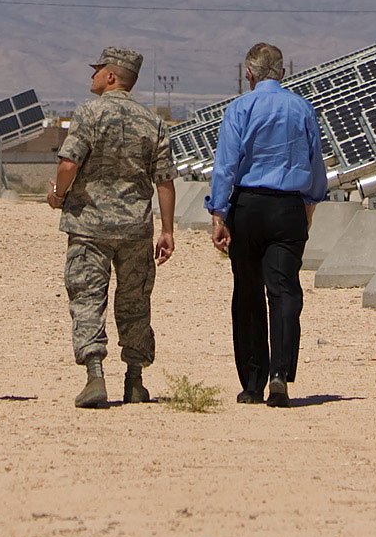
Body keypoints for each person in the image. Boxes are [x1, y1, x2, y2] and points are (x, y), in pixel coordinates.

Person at [46, 46, 177, 409]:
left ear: (111, 77)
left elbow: (69, 163)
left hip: (89, 226)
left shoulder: (89, 113)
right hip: (135, 229)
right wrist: (167, 230)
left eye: (97, 70)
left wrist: (58, 194)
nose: (92, 76)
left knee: (88, 297)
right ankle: (135, 381)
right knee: (135, 302)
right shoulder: (153, 122)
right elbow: (165, 182)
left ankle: (95, 376)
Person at [206, 42, 327, 407]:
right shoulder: (302, 108)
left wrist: (219, 213)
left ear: (249, 75)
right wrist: (309, 204)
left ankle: (253, 382)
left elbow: (226, 165)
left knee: (247, 293)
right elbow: (315, 162)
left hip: (248, 207)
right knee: (285, 290)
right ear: (284, 72)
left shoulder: (239, 108)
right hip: (288, 208)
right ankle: (280, 374)